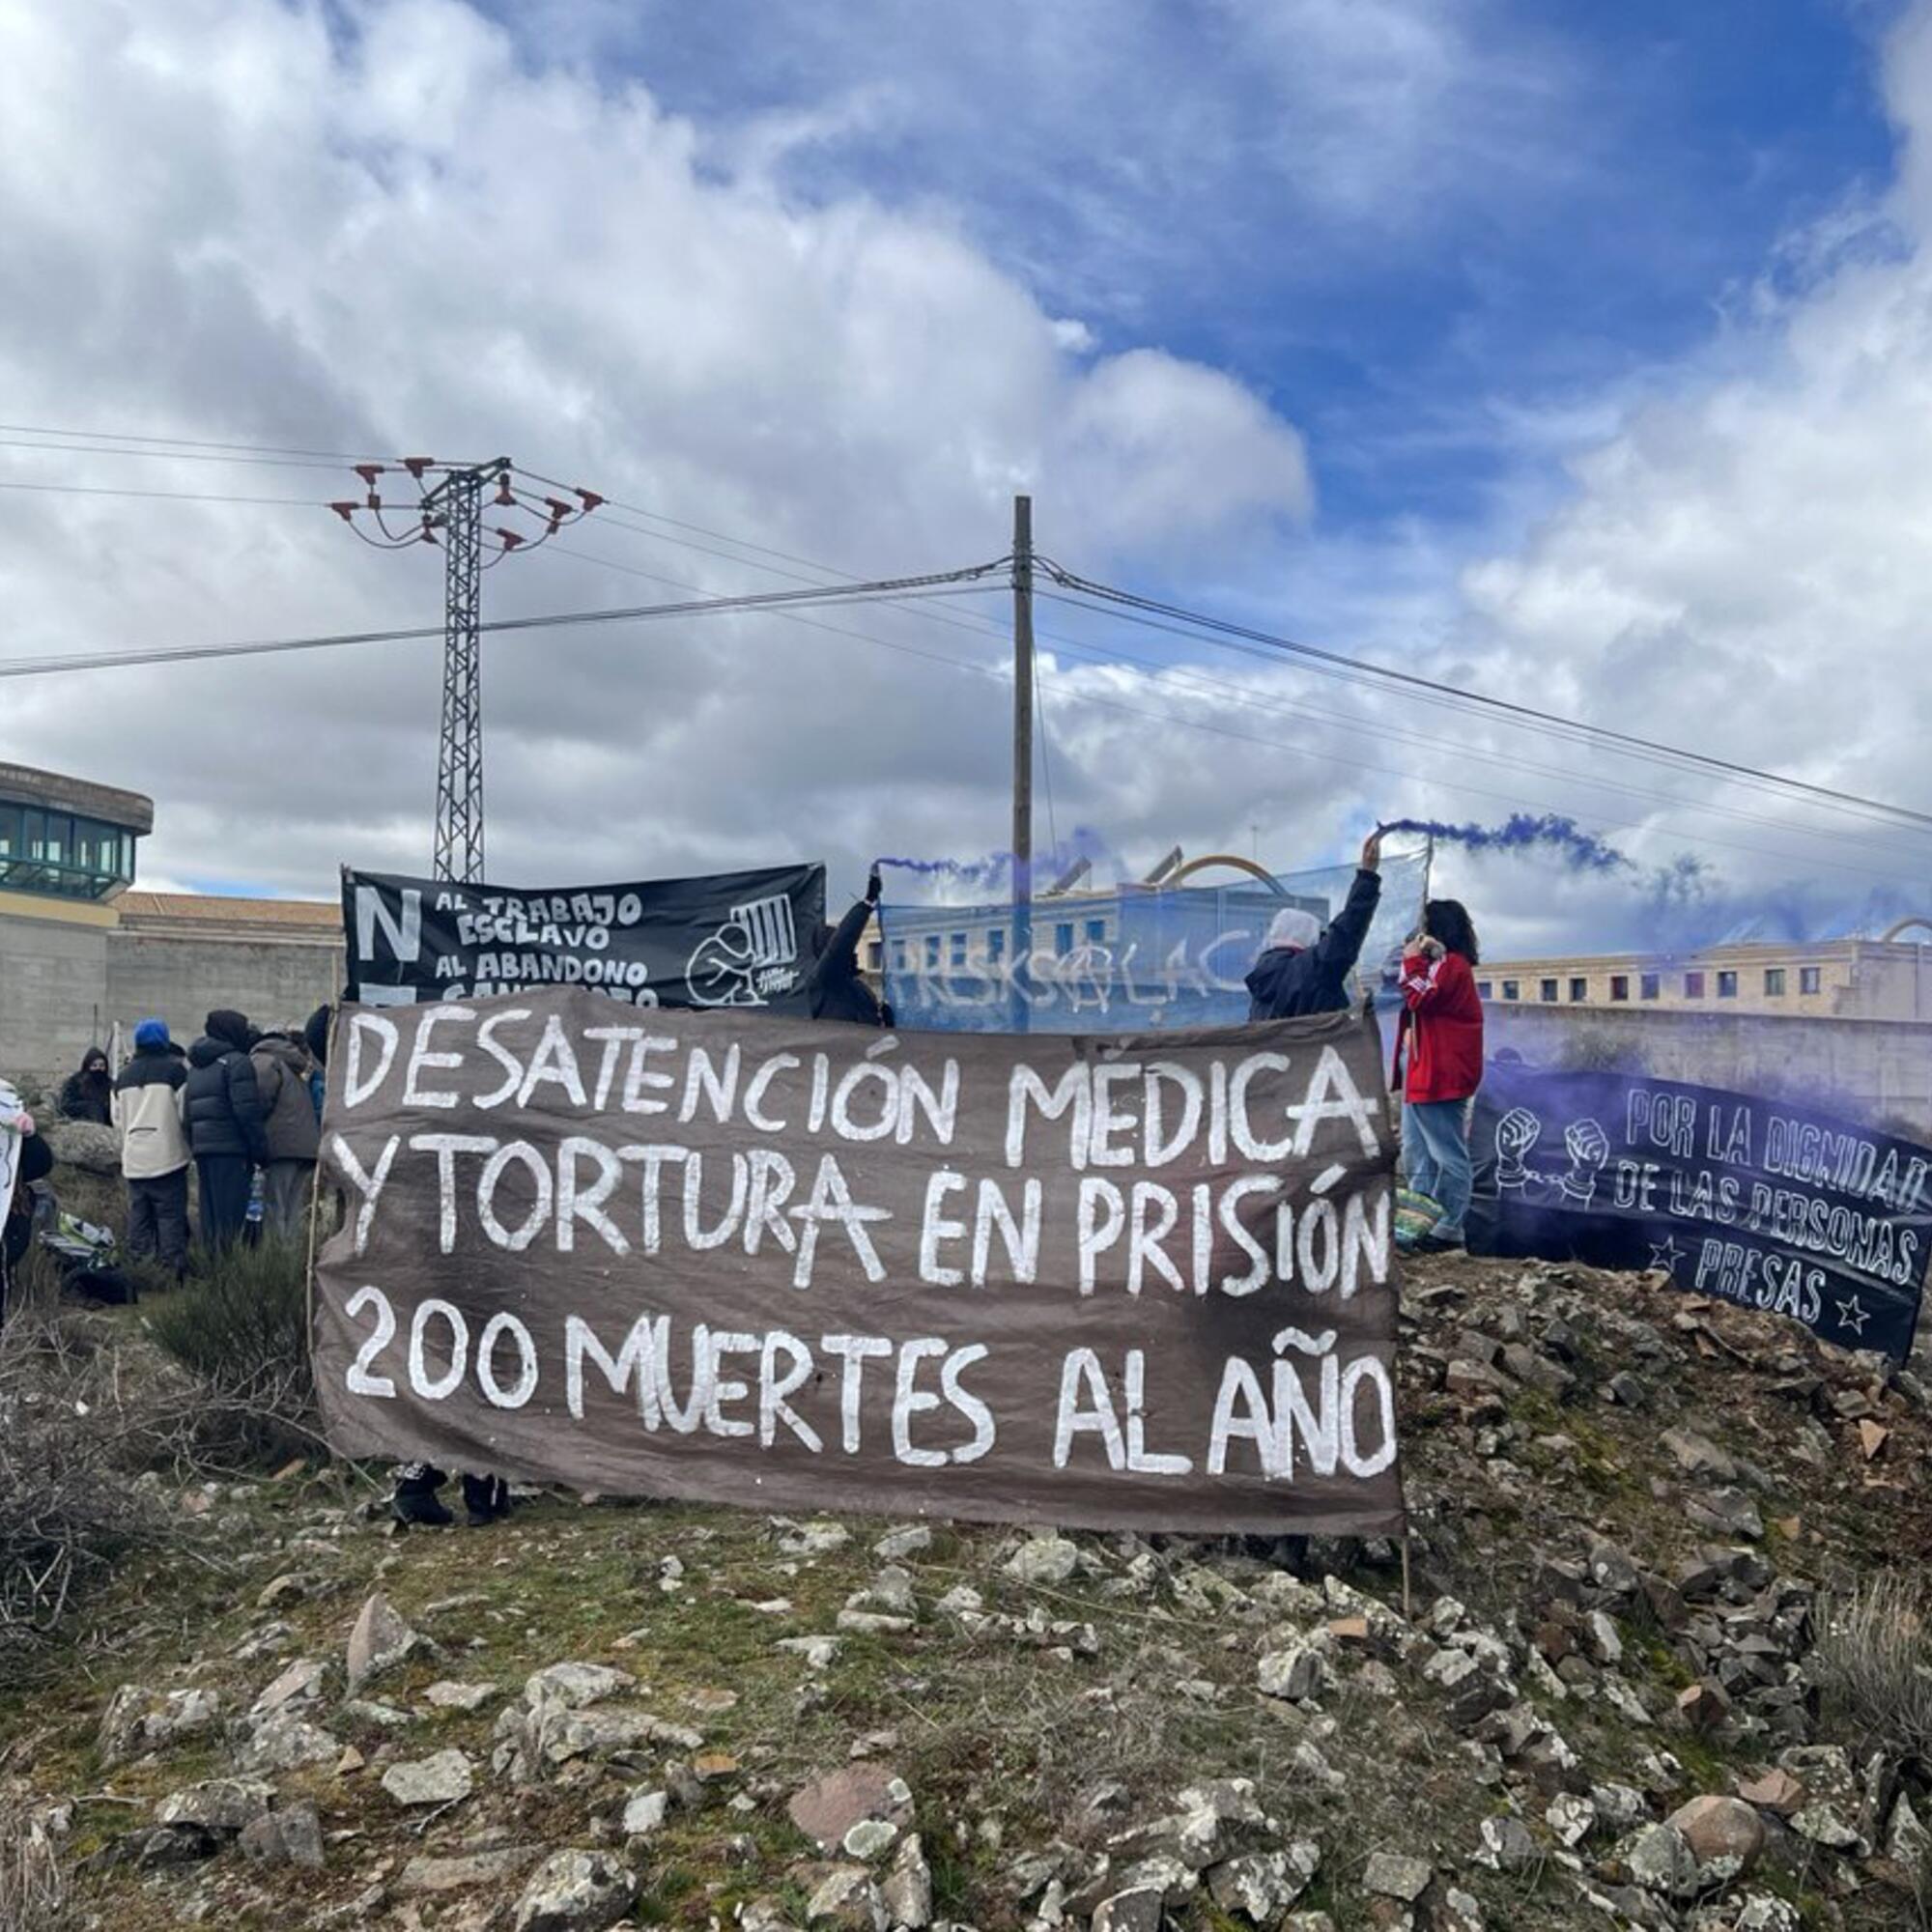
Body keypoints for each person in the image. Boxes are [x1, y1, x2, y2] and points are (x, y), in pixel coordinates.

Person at [1393, 898, 1486, 1253]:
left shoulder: (1453, 968)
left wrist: (1413, 959)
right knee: (1416, 1152)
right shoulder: (1442, 965)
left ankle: (1448, 1229)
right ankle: (1417, 1222)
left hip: (1440, 1074)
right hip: (1424, 1070)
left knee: (1447, 1154)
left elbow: (1418, 997)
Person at [1245, 832, 1383, 1019]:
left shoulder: (1260, 981)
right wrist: (1367, 876)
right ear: (1307, 936)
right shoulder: (1316, 966)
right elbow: (1348, 928)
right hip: (1320, 1048)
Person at [184, 1009, 270, 1252]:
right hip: (231, 1150)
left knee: (211, 1216)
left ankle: (214, 1272)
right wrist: (260, 1150)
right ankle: (231, 1273)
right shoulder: (237, 1062)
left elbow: (187, 1114)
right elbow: (246, 1112)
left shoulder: (196, 1066)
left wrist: (195, 1144)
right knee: (232, 1218)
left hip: (203, 1150)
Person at [112, 1018, 191, 1278]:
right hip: (167, 1155)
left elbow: (117, 1120)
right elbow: (184, 1113)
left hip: (134, 1158)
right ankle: (171, 1271)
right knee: (169, 1217)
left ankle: (140, 1269)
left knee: (139, 1217)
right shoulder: (176, 1072)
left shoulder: (122, 1077)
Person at [251, 1029, 321, 1240]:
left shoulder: (264, 1059)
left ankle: (275, 1260)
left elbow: (260, 1101)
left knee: (275, 1207)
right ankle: (288, 1261)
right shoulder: (293, 1064)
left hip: (281, 1145)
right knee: (292, 1210)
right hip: (305, 1145)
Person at [808, 868, 893, 1027]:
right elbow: (841, 945)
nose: (852, 952)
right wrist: (866, 904)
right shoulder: (823, 982)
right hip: (834, 1050)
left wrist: (888, 1025)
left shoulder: (862, 991)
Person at [58, 1047, 114, 1125]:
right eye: (94, 1065)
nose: (98, 1068)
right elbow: (65, 1105)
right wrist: (88, 1107)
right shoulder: (75, 1082)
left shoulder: (109, 1084)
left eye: (102, 1065)